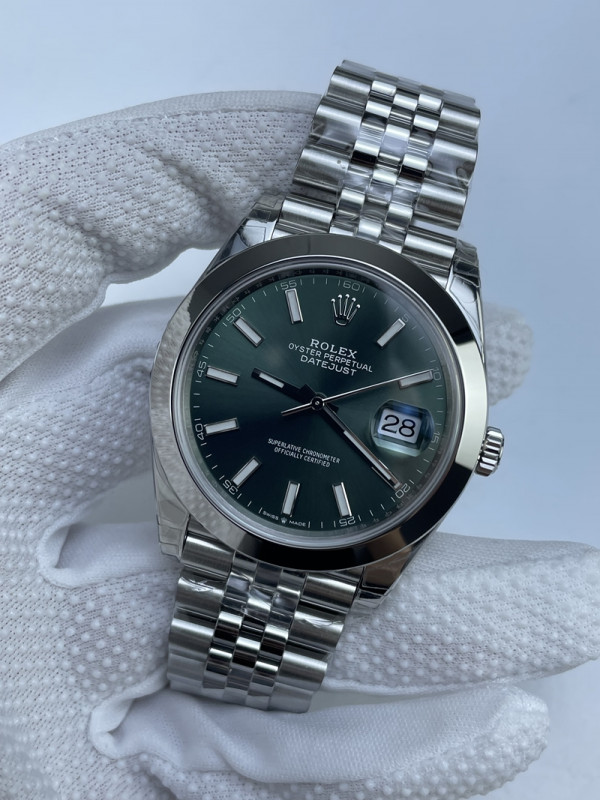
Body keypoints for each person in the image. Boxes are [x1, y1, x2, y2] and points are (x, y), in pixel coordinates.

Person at [1, 87, 598, 800]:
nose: (316, 405)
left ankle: (233, 691)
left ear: (474, 447)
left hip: (289, 500)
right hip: (235, 493)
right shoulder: (241, 302)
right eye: (312, 400)